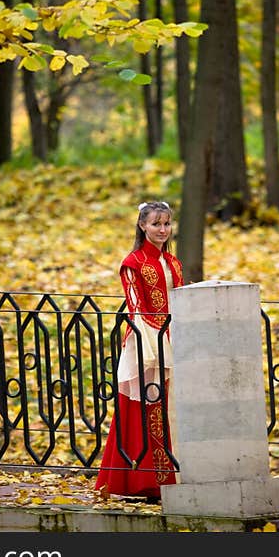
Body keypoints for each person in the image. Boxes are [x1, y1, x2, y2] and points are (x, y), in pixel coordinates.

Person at [94, 200, 185, 503]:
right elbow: (135, 308)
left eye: (167, 223)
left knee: (174, 409)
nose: (162, 229)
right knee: (147, 409)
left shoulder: (173, 262)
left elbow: (179, 300)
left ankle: (176, 475)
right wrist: (155, 341)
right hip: (148, 341)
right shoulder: (133, 263)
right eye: (156, 224)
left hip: (175, 339)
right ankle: (147, 481)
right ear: (142, 226)